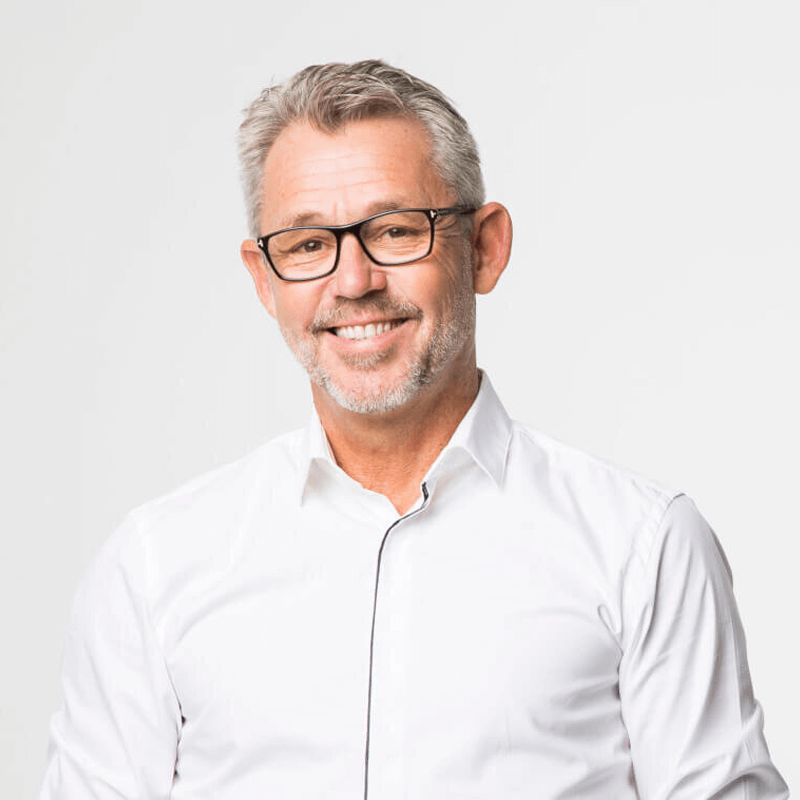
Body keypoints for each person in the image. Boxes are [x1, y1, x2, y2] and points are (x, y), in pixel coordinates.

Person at [40, 60, 788, 799]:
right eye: (307, 245)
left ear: (485, 248)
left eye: (396, 231)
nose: (354, 280)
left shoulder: (644, 546)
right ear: (263, 280)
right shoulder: (154, 567)